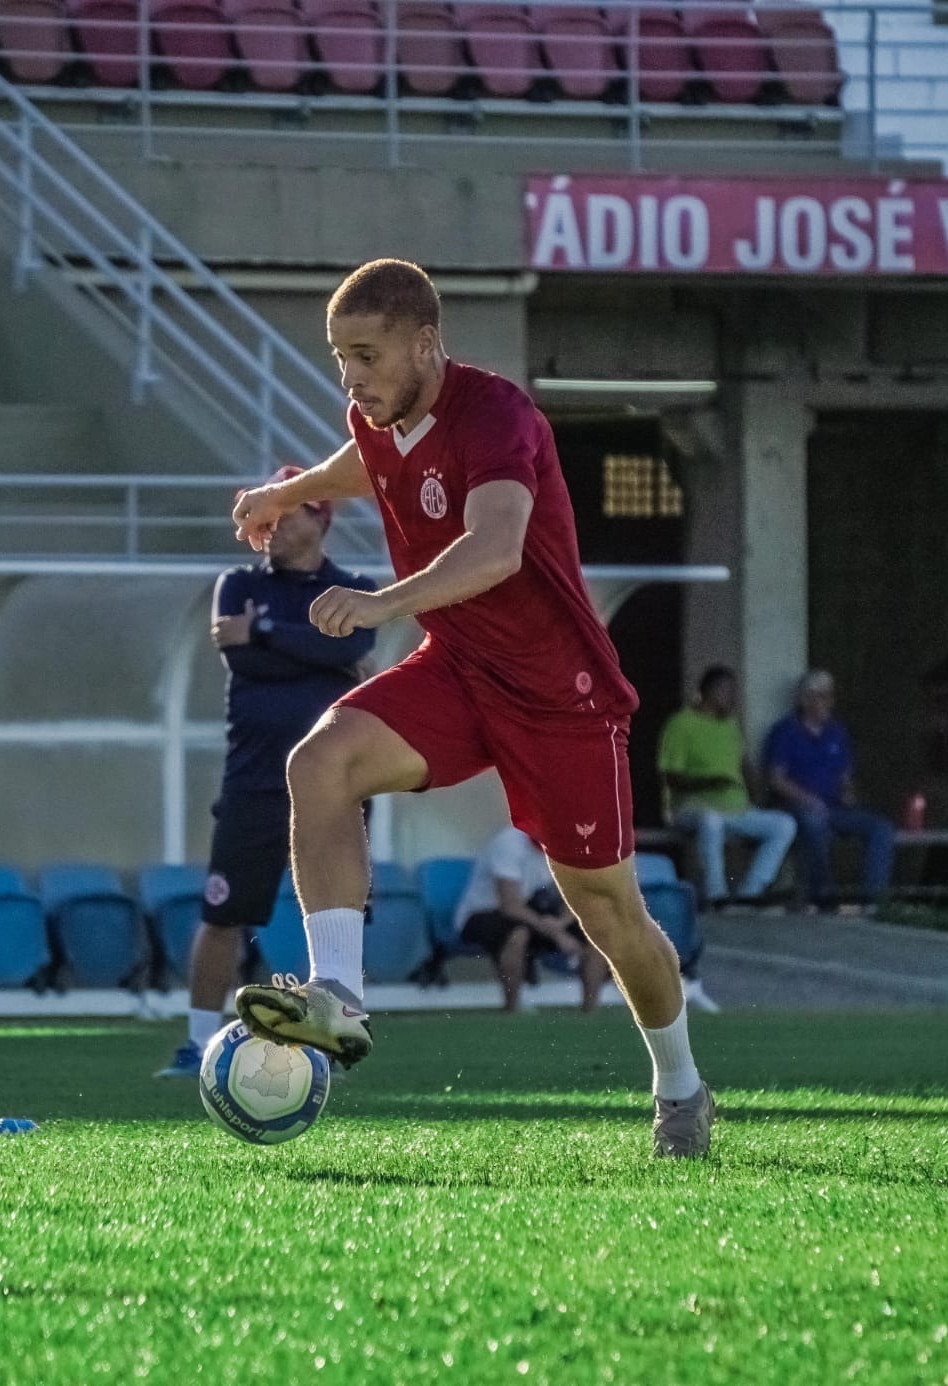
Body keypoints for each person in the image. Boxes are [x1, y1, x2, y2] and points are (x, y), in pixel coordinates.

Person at [225, 259, 714, 1158]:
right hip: (458, 668)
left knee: (608, 916)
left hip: (560, 692)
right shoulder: (374, 416)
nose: (352, 378)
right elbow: (361, 463)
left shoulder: (499, 415)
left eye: (366, 355)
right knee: (319, 762)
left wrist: (377, 603)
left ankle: (679, 1084)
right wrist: (289, 493)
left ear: (425, 343)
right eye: (341, 359)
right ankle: (338, 998)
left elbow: (494, 550)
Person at [155, 466, 376, 1079]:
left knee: (336, 913)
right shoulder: (238, 584)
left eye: (287, 515)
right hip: (254, 777)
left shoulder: (353, 586)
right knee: (224, 912)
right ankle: (196, 1043)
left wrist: (272, 631)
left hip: (336, 781)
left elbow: (347, 647)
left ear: (321, 517)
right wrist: (312, 648)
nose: (272, 529)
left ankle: (332, 1034)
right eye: (266, 518)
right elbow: (249, 660)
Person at [657, 665, 796, 909]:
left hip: (736, 809)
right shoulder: (682, 723)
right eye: (727, 690)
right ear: (709, 691)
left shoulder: (730, 725)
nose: (733, 696)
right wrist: (710, 782)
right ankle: (716, 895)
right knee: (711, 821)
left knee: (784, 824)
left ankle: (750, 893)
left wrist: (757, 794)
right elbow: (670, 776)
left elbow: (744, 765)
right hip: (691, 808)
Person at [763, 668, 896, 914]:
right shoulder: (785, 732)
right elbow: (776, 780)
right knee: (814, 822)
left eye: (830, 695)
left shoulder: (837, 732)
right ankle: (825, 897)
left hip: (834, 807)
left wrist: (848, 793)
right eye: (822, 695)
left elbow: (845, 777)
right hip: (796, 807)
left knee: (881, 828)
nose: (829, 702)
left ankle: (872, 902)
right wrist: (808, 799)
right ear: (804, 699)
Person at [453, 824, 610, 1013]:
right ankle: (512, 1009)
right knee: (518, 933)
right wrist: (556, 934)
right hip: (482, 914)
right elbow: (510, 906)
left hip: (530, 912)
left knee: (598, 932)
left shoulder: (567, 847)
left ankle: (590, 1012)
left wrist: (561, 924)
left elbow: (579, 896)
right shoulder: (508, 844)